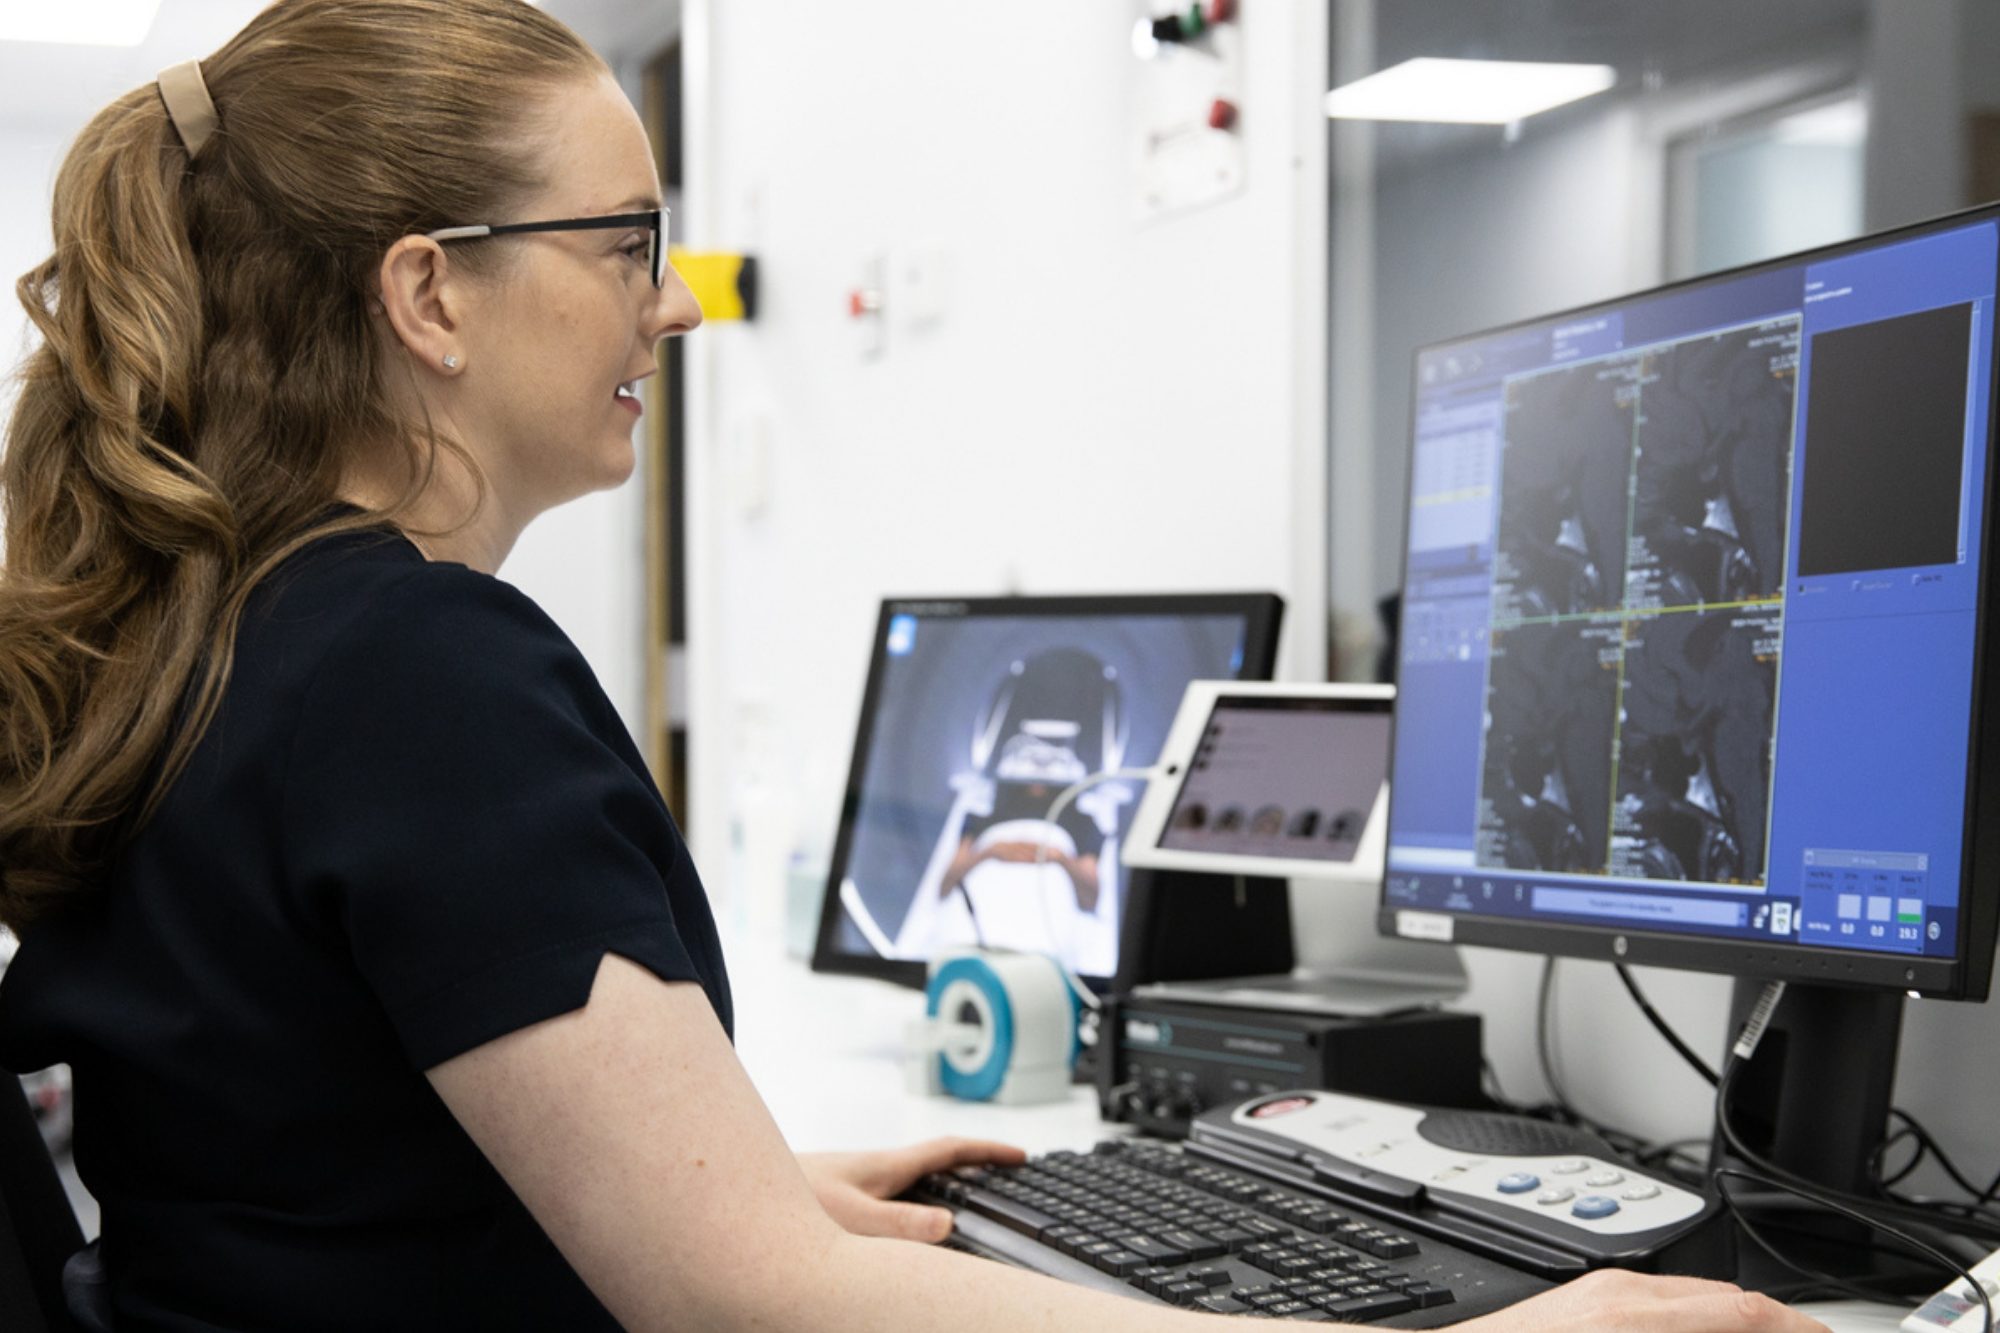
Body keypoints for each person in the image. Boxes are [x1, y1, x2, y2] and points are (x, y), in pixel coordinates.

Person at [0, 2, 1832, 1330]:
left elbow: (309, 1169)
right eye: (627, 242)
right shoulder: (418, 671)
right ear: (428, 295)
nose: (669, 300)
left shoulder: (215, 628)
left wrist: (739, 1189)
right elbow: (746, 1311)